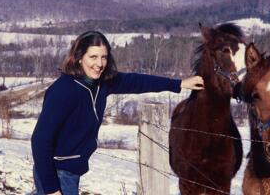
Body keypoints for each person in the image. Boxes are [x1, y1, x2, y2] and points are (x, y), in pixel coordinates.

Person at [31, 31, 204, 195]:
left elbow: (138, 82)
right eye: (93, 57)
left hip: (70, 171)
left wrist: (179, 84)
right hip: (56, 172)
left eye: (104, 57)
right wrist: (52, 189)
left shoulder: (102, 83)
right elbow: (40, 141)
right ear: (78, 58)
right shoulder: (64, 90)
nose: (99, 64)